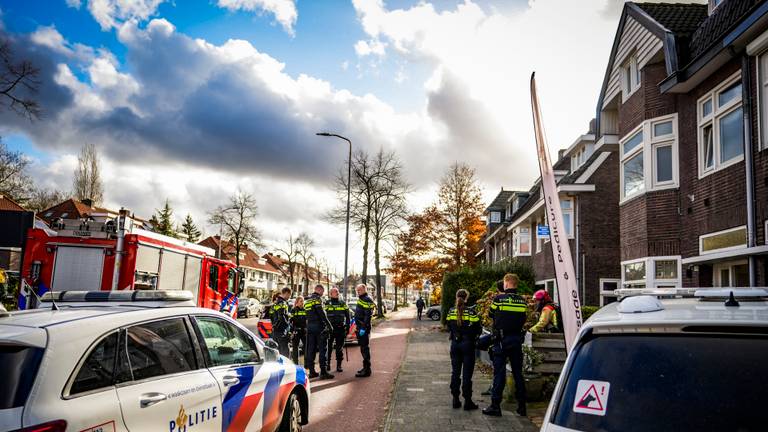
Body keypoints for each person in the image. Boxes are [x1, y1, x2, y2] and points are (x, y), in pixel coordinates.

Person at [483, 273, 528, 417]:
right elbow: (523, 318)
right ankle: (522, 407)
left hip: (501, 341)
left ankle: (495, 406)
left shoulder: (499, 299)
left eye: (504, 283)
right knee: (517, 374)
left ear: (507, 283)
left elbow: (490, 314)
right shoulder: (522, 301)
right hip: (516, 341)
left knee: (499, 373)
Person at [446, 289, 482, 411]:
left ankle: (455, 399)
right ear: (466, 298)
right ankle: (467, 401)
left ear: (456, 297)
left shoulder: (451, 311)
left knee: (455, 372)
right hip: (468, 345)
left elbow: (448, 326)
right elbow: (478, 329)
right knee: (467, 374)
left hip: (455, 345)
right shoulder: (472, 312)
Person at [480, 279, 506, 397]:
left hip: (499, 339)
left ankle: (495, 395)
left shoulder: (498, 300)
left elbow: (490, 315)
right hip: (513, 338)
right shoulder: (518, 300)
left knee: (498, 368)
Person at [304, 284, 334, 379]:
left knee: (311, 349)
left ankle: (312, 371)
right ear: (320, 290)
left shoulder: (307, 300)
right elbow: (322, 314)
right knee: (322, 349)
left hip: (310, 327)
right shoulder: (317, 299)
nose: (323, 293)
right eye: (323, 291)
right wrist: (329, 325)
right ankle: (323, 372)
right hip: (319, 327)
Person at [325, 287, 350, 372]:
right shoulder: (327, 303)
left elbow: (348, 315)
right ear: (330, 294)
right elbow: (323, 316)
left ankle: (339, 365)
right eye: (336, 292)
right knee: (328, 347)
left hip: (340, 329)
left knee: (339, 348)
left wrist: (348, 325)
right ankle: (327, 364)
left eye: (338, 291)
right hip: (330, 329)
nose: (338, 293)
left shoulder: (343, 303)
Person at [354, 284, 375, 378]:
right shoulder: (362, 299)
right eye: (357, 290)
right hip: (360, 327)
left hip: (364, 328)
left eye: (360, 290)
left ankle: (367, 370)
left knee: (365, 349)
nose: (358, 292)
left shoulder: (366, 299)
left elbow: (368, 316)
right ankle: (365, 368)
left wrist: (363, 328)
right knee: (363, 348)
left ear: (364, 289)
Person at [270, 287, 292, 358]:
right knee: (285, 353)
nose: (289, 297)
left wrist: (274, 325)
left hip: (275, 331)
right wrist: (287, 326)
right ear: (286, 293)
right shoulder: (282, 303)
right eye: (289, 295)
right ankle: (285, 367)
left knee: (277, 353)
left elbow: (271, 316)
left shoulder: (275, 303)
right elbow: (282, 317)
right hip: (281, 331)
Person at [290, 296, 307, 364]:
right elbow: (290, 321)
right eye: (301, 301)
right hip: (296, 331)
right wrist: (292, 331)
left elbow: (307, 321)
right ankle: (295, 363)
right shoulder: (293, 310)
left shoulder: (305, 310)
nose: (302, 303)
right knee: (295, 348)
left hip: (304, 331)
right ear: (297, 302)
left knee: (306, 347)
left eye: (303, 301)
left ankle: (306, 363)